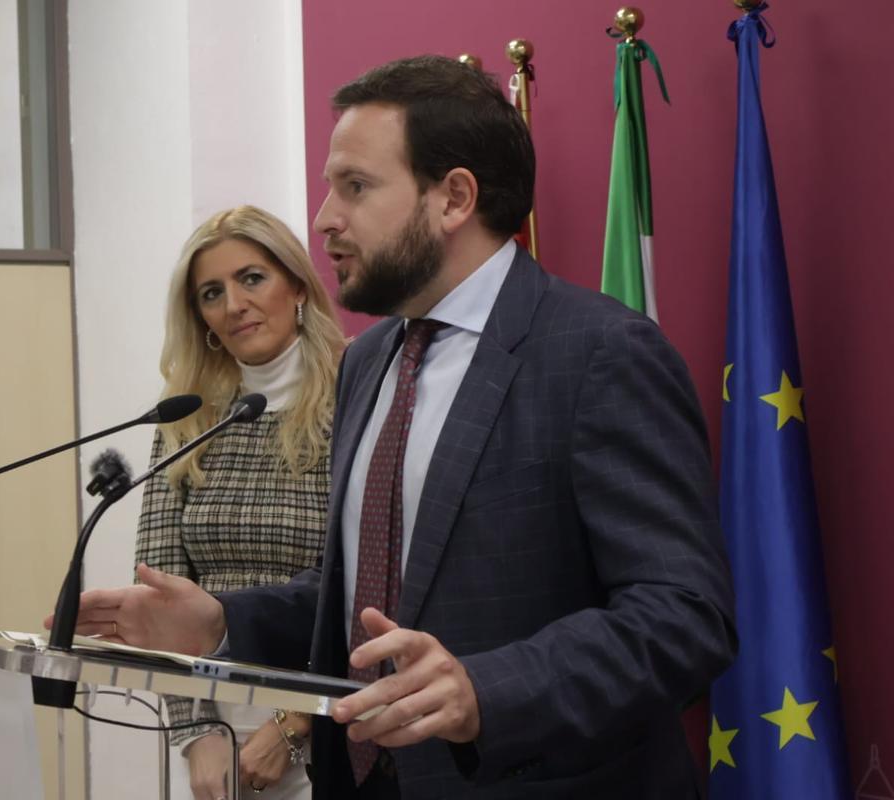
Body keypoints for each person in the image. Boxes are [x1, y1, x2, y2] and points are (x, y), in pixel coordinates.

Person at [60, 56, 736, 799]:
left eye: (355, 186)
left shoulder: (600, 353)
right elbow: (363, 596)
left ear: (453, 198)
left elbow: (683, 616)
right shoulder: (370, 360)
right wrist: (222, 622)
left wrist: (487, 689)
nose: (324, 219)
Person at [137, 206, 345, 800]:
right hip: (213, 734)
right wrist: (197, 731)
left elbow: (364, 586)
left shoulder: (358, 392)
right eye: (212, 292)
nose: (234, 304)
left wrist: (296, 722)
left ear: (298, 285)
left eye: (252, 278)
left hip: (333, 724)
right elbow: (160, 589)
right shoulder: (186, 415)